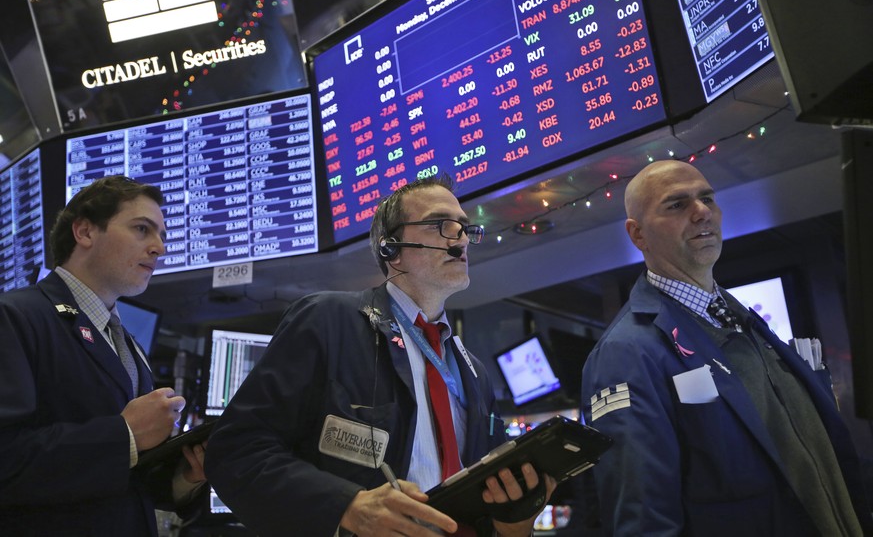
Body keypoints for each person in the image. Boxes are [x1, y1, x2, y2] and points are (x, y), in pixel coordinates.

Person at [205, 174, 556, 537]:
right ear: (392, 249)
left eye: (465, 229)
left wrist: (517, 520)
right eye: (441, 225)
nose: (461, 240)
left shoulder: (474, 372)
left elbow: (488, 504)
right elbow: (236, 451)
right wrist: (347, 505)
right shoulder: (328, 320)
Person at [580, 160, 872, 536]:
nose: (702, 212)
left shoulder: (743, 320)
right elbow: (643, 516)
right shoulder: (626, 351)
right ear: (638, 235)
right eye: (677, 204)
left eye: (707, 199)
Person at [0, 175, 207, 535]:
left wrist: (186, 475)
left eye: (162, 235)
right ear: (85, 232)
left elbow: (123, 479)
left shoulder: (130, 347)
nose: (159, 248)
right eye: (142, 229)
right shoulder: (16, 317)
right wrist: (125, 433)